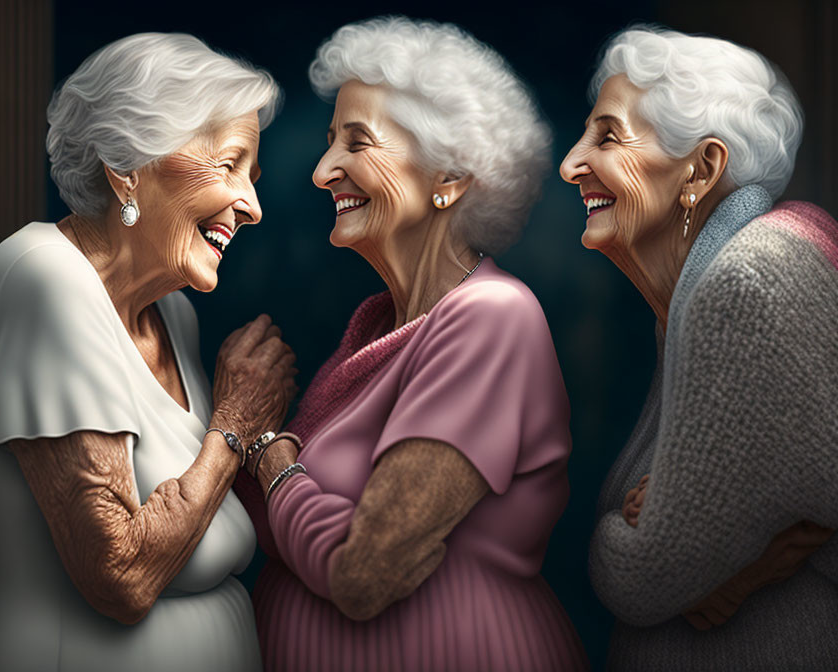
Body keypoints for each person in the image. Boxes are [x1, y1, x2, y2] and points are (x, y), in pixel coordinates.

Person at [232, 16, 588, 672]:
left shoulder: (490, 319)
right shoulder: (377, 326)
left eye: (357, 142)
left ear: (448, 177)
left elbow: (363, 573)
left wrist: (272, 458)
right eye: (328, 140)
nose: (322, 171)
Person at [0, 33, 296, 672]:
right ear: (128, 165)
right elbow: (120, 573)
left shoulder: (171, 312)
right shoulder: (42, 278)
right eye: (229, 165)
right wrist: (231, 426)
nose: (253, 207)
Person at [560, 25, 838, 671]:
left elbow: (639, 578)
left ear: (702, 168)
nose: (572, 164)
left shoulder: (742, 286)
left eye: (607, 136)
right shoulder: (712, 283)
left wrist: (618, 540)